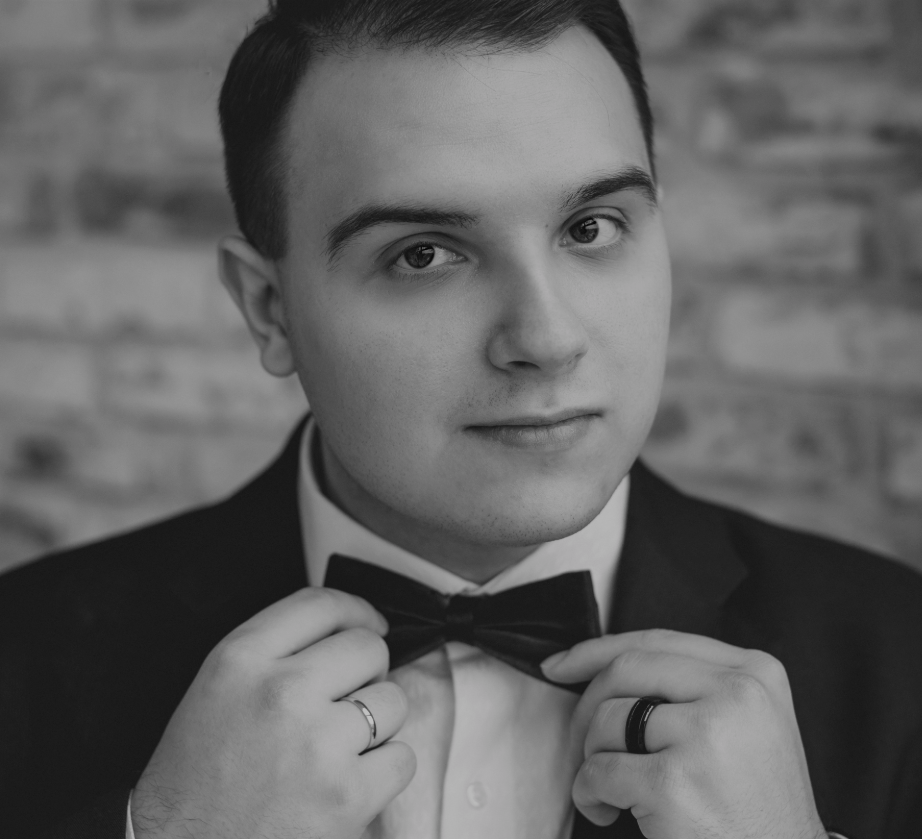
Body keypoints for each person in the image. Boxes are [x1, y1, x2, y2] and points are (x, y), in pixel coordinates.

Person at [1, 1, 920, 837]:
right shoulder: (26, 657)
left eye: (591, 227)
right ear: (269, 309)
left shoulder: (900, 653)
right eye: (424, 254)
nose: (546, 340)